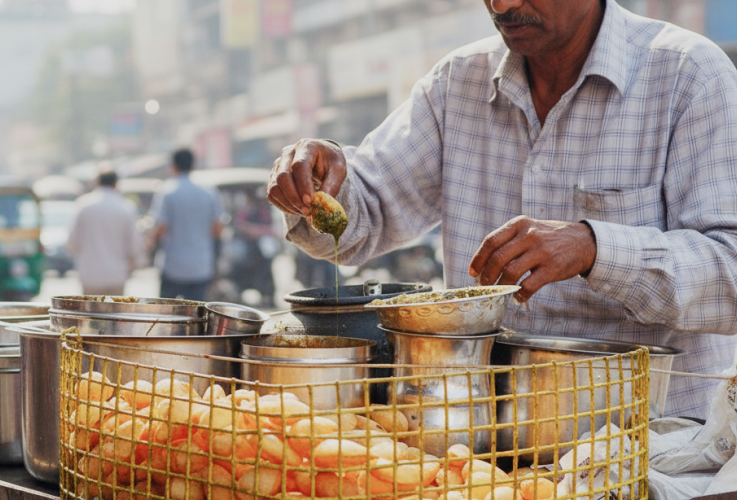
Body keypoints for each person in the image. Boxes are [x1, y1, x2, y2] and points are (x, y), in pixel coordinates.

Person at [267, 0, 737, 418]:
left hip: (653, 443)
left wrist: (594, 248)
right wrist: (319, 182)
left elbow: (730, 274)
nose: (502, 5)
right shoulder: (456, 84)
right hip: (487, 441)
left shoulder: (688, 74)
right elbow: (364, 218)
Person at [152, 149, 224, 301]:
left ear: (173, 165)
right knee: (196, 313)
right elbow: (217, 229)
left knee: (166, 312)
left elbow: (160, 229)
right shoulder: (209, 192)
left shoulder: (167, 192)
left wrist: (152, 251)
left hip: (173, 265)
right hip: (201, 266)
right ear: (193, 165)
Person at [69, 168, 145, 296]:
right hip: (116, 275)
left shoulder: (83, 205)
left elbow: (72, 243)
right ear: (115, 184)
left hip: (89, 275)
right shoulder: (125, 207)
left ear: (97, 182)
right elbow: (134, 247)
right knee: (113, 309)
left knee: (90, 309)